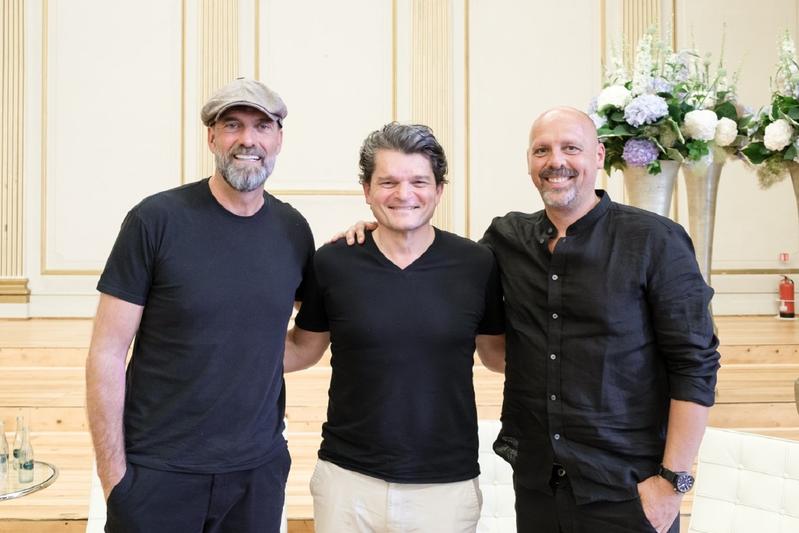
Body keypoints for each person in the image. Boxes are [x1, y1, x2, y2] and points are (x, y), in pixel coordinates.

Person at [342, 107, 720, 533]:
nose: (555, 161)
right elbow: (438, 263)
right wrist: (382, 228)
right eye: (542, 150)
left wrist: (672, 483)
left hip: (628, 488)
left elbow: (695, 365)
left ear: (597, 156)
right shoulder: (506, 240)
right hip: (539, 485)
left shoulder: (655, 240)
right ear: (529, 162)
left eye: (570, 148)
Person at [85, 78, 314, 533]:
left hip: (256, 474)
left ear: (278, 139)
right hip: (158, 474)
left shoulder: (292, 230)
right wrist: (116, 481)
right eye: (233, 125)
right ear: (211, 136)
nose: (248, 139)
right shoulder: (155, 220)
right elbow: (107, 353)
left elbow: (305, 343)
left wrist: (374, 236)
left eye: (261, 126)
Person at [284, 122, 506, 533]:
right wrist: (211, 350)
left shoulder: (477, 264)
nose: (404, 194)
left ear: (439, 189)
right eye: (388, 182)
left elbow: (496, 355)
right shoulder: (333, 262)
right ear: (367, 191)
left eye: (419, 181)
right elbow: (303, 348)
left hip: (446, 487)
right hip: (347, 482)